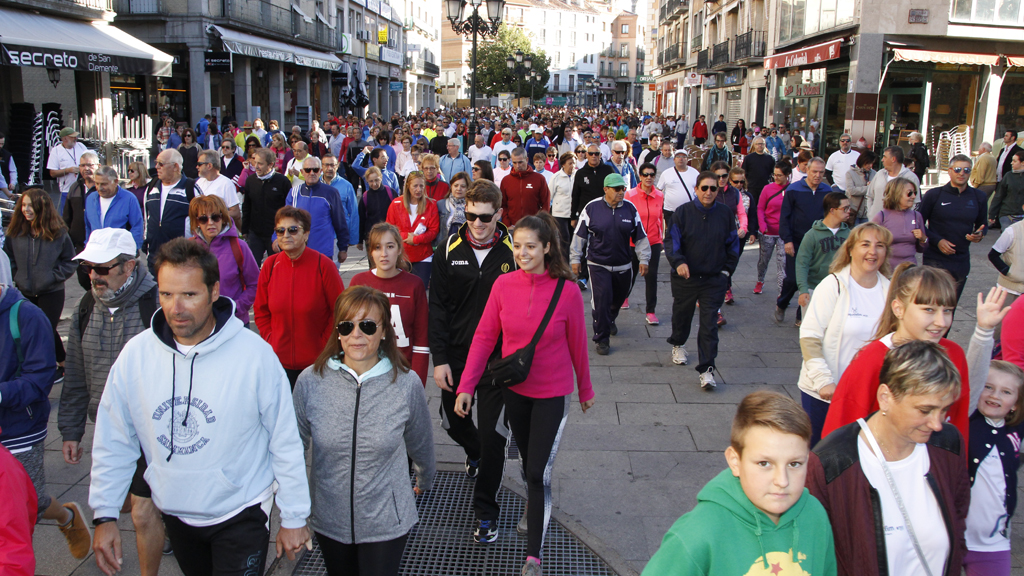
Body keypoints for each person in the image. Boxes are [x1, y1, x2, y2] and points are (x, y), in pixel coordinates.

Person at [89, 238, 312, 576]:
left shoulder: (254, 355)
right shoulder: (136, 355)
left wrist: (294, 516)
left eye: (189, 295)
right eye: (166, 294)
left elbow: (284, 438)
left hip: (241, 512)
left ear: (214, 291)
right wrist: (104, 514)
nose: (176, 308)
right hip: (177, 512)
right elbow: (113, 437)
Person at [455, 213, 594, 575]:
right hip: (514, 390)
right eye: (517, 246)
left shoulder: (566, 290)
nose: (522, 253)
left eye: (530, 246)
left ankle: (534, 555)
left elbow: (578, 342)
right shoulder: (503, 286)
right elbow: (485, 337)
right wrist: (467, 385)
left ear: (548, 248)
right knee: (525, 459)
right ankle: (534, 505)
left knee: (536, 472)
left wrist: (586, 388)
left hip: (552, 392)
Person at [293, 285, 434, 576]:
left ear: (384, 332)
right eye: (348, 325)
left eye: (367, 325)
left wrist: (424, 478)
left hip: (387, 520)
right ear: (338, 331)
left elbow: (421, 444)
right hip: (329, 518)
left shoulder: (407, 384)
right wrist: (291, 507)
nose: (356, 334)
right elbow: (293, 447)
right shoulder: (310, 382)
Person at [808, 341, 969, 576]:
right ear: (885, 396)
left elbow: (958, 519)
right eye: (925, 410)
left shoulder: (948, 444)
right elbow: (816, 553)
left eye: (944, 410)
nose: (937, 424)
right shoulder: (831, 463)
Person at [59, 228, 166, 575]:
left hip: (152, 427)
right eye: (90, 268)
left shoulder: (157, 306)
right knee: (121, 503)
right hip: (109, 428)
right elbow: (75, 370)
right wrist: (71, 429)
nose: (94, 275)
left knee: (141, 512)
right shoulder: (87, 306)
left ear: (130, 266)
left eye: (103, 269)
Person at [643, 391, 836, 576]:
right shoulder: (700, 531)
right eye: (764, 463)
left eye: (795, 464)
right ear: (735, 461)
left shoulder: (815, 514)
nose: (782, 481)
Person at [821, 263, 1008, 441]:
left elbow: (960, 415)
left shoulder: (953, 353)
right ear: (898, 309)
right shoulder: (871, 360)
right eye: (929, 310)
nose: (941, 322)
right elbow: (839, 433)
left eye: (948, 311)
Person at [429, 180, 517, 542]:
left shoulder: (514, 251)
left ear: (498, 214)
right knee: (452, 421)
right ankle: (475, 452)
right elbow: (437, 306)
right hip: (459, 355)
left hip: (498, 360)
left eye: (484, 217)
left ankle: (486, 512)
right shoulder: (449, 247)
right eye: (470, 215)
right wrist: (440, 358)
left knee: (496, 437)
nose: (477, 224)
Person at [1, 231, 90, 561]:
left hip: (20, 427)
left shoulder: (26, 317)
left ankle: (67, 517)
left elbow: (40, 382)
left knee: (29, 502)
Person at [798, 223, 892, 446]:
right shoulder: (833, 286)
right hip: (825, 392)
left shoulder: (890, 291)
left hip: (866, 394)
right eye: (865, 244)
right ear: (850, 249)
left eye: (880, 246)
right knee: (820, 456)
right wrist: (823, 381)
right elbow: (810, 336)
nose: (873, 252)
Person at [253, 206, 344, 388]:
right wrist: (272, 340)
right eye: (280, 230)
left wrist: (324, 345)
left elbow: (340, 310)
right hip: (279, 363)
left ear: (306, 234)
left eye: (293, 230)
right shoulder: (270, 265)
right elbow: (261, 310)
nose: (286, 235)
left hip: (317, 364)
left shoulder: (323, 266)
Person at [665, 170, 740, 389]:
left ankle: (707, 369)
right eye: (704, 188)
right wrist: (678, 262)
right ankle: (678, 342)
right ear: (696, 189)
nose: (708, 192)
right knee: (682, 316)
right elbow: (671, 241)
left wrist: (727, 271)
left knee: (709, 325)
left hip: (713, 279)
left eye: (713, 188)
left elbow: (733, 244)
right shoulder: (682, 213)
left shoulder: (725, 214)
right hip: (686, 278)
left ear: (718, 190)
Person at [571, 173, 650, 356]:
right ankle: (601, 338)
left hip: (623, 264)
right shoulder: (592, 208)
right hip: (598, 263)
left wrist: (644, 259)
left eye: (623, 188)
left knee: (617, 300)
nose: (621, 192)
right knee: (602, 300)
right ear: (606, 189)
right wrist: (575, 259)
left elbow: (641, 236)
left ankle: (609, 318)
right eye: (617, 189)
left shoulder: (630, 209)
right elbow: (579, 235)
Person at [4, 188, 76, 379]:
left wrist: (53, 276)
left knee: (45, 329)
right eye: (24, 205)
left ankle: (55, 366)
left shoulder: (58, 233)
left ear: (41, 207)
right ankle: (57, 364)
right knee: (31, 330)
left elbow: (70, 260)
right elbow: (8, 257)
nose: (26, 210)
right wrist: (16, 275)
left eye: (30, 206)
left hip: (51, 291)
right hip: (24, 291)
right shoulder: (15, 232)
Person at [963, 360, 1024, 576]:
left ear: (1016, 403)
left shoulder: (1016, 430)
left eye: (1006, 392)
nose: (995, 395)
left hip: (993, 543)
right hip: (948, 538)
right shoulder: (964, 420)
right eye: (987, 387)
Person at [350, 223, 430, 384]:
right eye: (377, 247)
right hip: (367, 372)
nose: (384, 254)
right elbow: (349, 332)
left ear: (399, 249)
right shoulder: (358, 282)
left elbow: (421, 338)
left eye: (390, 246)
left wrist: (417, 381)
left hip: (401, 371)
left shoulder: (414, 285)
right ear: (371, 252)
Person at [920, 154, 988, 316]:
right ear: (949, 171)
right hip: (935, 259)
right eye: (957, 169)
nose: (961, 173)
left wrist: (979, 234)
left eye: (966, 170)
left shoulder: (979, 197)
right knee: (930, 305)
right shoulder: (934, 195)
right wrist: (938, 241)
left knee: (949, 309)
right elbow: (919, 224)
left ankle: (943, 342)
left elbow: (982, 224)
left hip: (961, 260)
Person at [776, 157, 832, 326]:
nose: (818, 175)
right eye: (814, 171)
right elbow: (784, 217)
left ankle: (802, 314)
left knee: (811, 280)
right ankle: (782, 303)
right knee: (793, 279)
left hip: (818, 243)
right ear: (806, 170)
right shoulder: (794, 190)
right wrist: (787, 240)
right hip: (797, 241)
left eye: (821, 172)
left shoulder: (827, 191)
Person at [190, 195, 259, 325]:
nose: (210, 223)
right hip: (200, 326)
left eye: (215, 217)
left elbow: (255, 284)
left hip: (234, 323)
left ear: (223, 218)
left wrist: (235, 307)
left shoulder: (239, 246)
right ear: (197, 221)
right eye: (204, 219)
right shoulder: (188, 248)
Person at [795, 192, 851, 314]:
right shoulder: (812, 235)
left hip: (841, 289)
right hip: (815, 288)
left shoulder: (850, 235)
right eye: (845, 208)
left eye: (849, 208)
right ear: (832, 210)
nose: (849, 211)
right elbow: (802, 263)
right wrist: (803, 290)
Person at [287, 156, 350, 263]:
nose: (312, 173)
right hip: (299, 251)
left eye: (315, 170)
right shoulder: (294, 192)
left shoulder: (331, 193)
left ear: (320, 171)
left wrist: (343, 248)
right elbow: (285, 221)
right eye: (308, 170)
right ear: (302, 172)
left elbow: (340, 222)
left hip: (323, 252)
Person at [625, 162, 664, 326]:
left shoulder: (660, 195)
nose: (649, 177)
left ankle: (651, 311)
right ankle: (623, 297)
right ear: (640, 176)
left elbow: (661, 218)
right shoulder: (630, 194)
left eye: (652, 175)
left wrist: (662, 238)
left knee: (651, 276)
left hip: (653, 241)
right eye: (646, 174)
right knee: (630, 273)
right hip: (633, 242)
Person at [143, 149, 196, 269]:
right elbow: (147, 219)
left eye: (161, 163)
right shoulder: (151, 188)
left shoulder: (191, 188)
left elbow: (200, 222)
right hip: (154, 259)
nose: (156, 167)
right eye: (156, 163)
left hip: (181, 259)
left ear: (176, 167)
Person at [387, 170, 439, 287]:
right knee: (402, 290)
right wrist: (407, 237)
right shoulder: (396, 204)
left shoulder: (431, 204)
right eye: (415, 186)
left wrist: (416, 240)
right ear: (408, 186)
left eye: (421, 186)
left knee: (419, 290)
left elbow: (434, 231)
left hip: (423, 256)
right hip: (401, 255)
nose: (418, 189)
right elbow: (389, 230)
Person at [242, 147, 292, 266]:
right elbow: (247, 206)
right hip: (255, 232)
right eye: (255, 163)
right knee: (252, 266)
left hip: (275, 233)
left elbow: (288, 209)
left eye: (260, 163)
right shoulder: (250, 181)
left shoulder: (282, 182)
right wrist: (244, 229)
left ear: (271, 164)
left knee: (277, 266)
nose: (256, 166)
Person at [85, 165, 145, 250]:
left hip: (119, 252)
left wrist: (131, 250)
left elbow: (137, 227)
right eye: (97, 183)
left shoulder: (129, 198)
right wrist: (87, 247)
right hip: (96, 251)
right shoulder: (91, 198)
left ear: (116, 182)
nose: (99, 188)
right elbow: (88, 227)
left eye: (104, 184)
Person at [871, 177, 927, 268]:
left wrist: (923, 239)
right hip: (888, 270)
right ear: (897, 194)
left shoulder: (917, 216)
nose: (913, 196)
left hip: (910, 269)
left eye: (915, 193)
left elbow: (922, 249)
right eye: (909, 193)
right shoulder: (881, 217)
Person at [755, 160, 791, 296]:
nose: (776, 178)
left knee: (782, 263)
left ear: (787, 175)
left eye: (779, 175)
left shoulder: (791, 190)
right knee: (764, 259)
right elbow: (760, 208)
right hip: (768, 231)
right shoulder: (767, 189)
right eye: (775, 175)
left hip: (783, 233)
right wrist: (762, 224)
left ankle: (781, 292)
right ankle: (760, 280)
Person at [865, 146, 921, 220]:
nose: (882, 160)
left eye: (885, 157)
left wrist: (905, 219)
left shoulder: (910, 177)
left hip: (898, 224)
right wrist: (871, 214)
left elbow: (915, 202)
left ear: (893, 159)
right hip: (876, 222)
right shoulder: (880, 174)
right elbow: (869, 196)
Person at [501, 147, 551, 228]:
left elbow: (546, 203)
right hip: (513, 226)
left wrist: (541, 222)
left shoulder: (539, 178)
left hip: (534, 226)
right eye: (515, 162)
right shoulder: (506, 180)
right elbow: (503, 205)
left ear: (527, 160)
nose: (518, 166)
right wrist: (507, 224)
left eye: (520, 162)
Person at [47, 127, 89, 213]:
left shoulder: (81, 146)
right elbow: (52, 173)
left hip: (84, 188)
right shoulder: (56, 151)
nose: (75, 139)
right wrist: (68, 170)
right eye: (72, 137)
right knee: (67, 214)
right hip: (66, 189)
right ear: (65, 138)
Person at [195, 149, 242, 225]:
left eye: (199, 164)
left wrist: (214, 216)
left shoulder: (226, 183)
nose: (197, 167)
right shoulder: (199, 182)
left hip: (220, 231)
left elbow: (236, 213)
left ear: (209, 166)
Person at [989, 149, 1024, 230]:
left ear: (1022, 163)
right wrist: (992, 213)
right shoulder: (1008, 176)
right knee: (1008, 236)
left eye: (1015, 161)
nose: (1011, 163)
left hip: (1022, 215)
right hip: (1007, 214)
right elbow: (999, 195)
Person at [549, 152, 575, 257]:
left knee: (573, 238)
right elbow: (549, 195)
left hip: (573, 213)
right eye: (570, 163)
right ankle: (564, 264)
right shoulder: (556, 177)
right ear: (563, 164)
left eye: (574, 163)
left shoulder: (577, 175)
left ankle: (573, 261)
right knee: (565, 238)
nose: (572, 165)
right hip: (559, 213)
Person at [436, 171, 470, 246]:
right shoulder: (440, 204)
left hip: (464, 247)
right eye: (456, 185)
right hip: (443, 247)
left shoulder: (471, 207)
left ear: (468, 188)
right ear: (451, 186)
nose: (459, 189)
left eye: (463, 186)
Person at [845, 151, 877, 225]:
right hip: (854, 210)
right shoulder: (850, 173)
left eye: (872, 163)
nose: (870, 166)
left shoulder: (874, 173)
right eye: (868, 163)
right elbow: (851, 190)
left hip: (867, 212)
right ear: (862, 161)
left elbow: (876, 190)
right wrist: (868, 187)